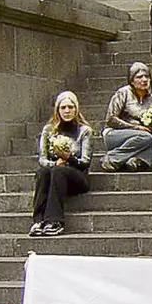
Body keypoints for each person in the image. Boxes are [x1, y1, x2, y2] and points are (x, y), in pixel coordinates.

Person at [30, 91, 92, 237]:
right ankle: (38, 220)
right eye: (63, 107)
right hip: (55, 173)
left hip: (77, 175)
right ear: (57, 110)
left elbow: (85, 162)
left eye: (70, 107)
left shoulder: (84, 131)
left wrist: (69, 158)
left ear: (76, 109)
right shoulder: (48, 130)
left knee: (59, 171)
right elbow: (42, 159)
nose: (67, 111)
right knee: (43, 172)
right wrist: (56, 163)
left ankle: (54, 221)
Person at [102, 62, 152, 172]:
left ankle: (137, 160)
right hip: (116, 134)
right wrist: (136, 128)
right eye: (139, 77)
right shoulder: (123, 93)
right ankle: (112, 158)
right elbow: (111, 119)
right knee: (145, 137)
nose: (144, 80)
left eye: (147, 77)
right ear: (131, 80)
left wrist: (150, 126)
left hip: (142, 138)